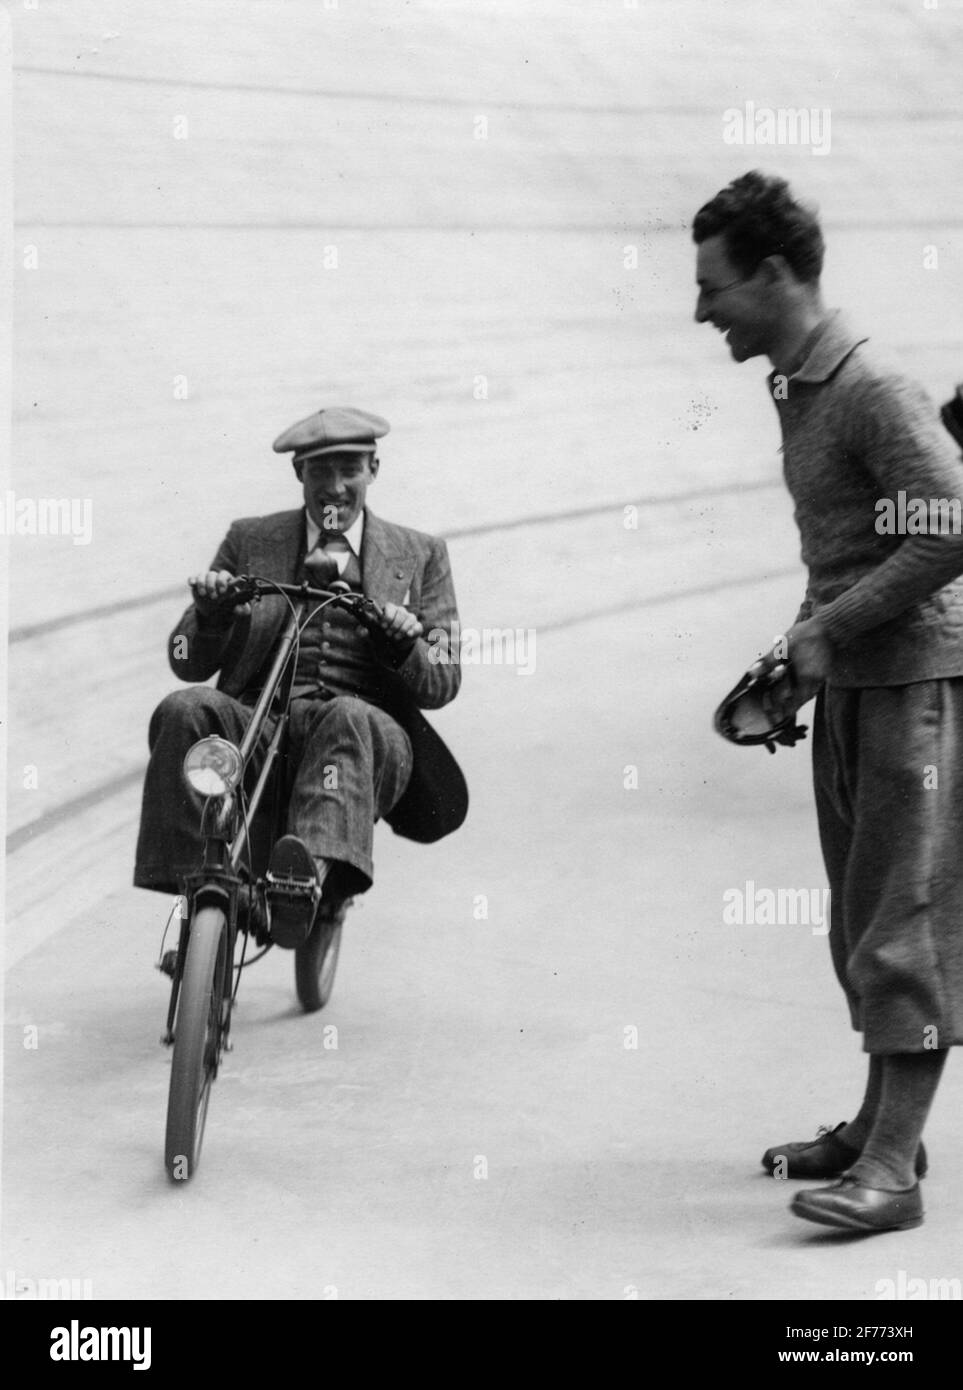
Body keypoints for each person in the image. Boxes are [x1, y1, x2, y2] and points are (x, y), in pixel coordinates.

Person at [692, 171, 963, 1232]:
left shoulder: (870, 390)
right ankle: (874, 1126)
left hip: (914, 684)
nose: (701, 308)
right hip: (856, 680)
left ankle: (891, 1171)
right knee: (862, 913)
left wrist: (831, 628)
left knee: (906, 916)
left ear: (771, 273)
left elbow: (949, 527)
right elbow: (858, 543)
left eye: (713, 284)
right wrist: (804, 648)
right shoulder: (806, 389)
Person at [134, 405, 465, 946]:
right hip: (260, 723)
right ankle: (200, 875)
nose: (334, 488)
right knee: (184, 708)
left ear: (373, 470)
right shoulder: (250, 540)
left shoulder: (421, 554)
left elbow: (444, 680)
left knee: (348, 717)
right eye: (319, 471)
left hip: (365, 738)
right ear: (299, 474)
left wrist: (406, 643)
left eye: (349, 469)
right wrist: (211, 613)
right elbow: (184, 657)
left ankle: (301, 882)